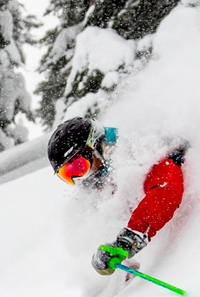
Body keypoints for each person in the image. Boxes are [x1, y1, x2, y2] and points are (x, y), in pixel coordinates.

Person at [46, 117, 186, 275]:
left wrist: (129, 239)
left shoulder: (140, 151)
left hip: (192, 247)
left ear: (97, 146)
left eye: (80, 167)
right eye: (69, 174)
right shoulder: (104, 182)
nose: (80, 178)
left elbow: (165, 191)